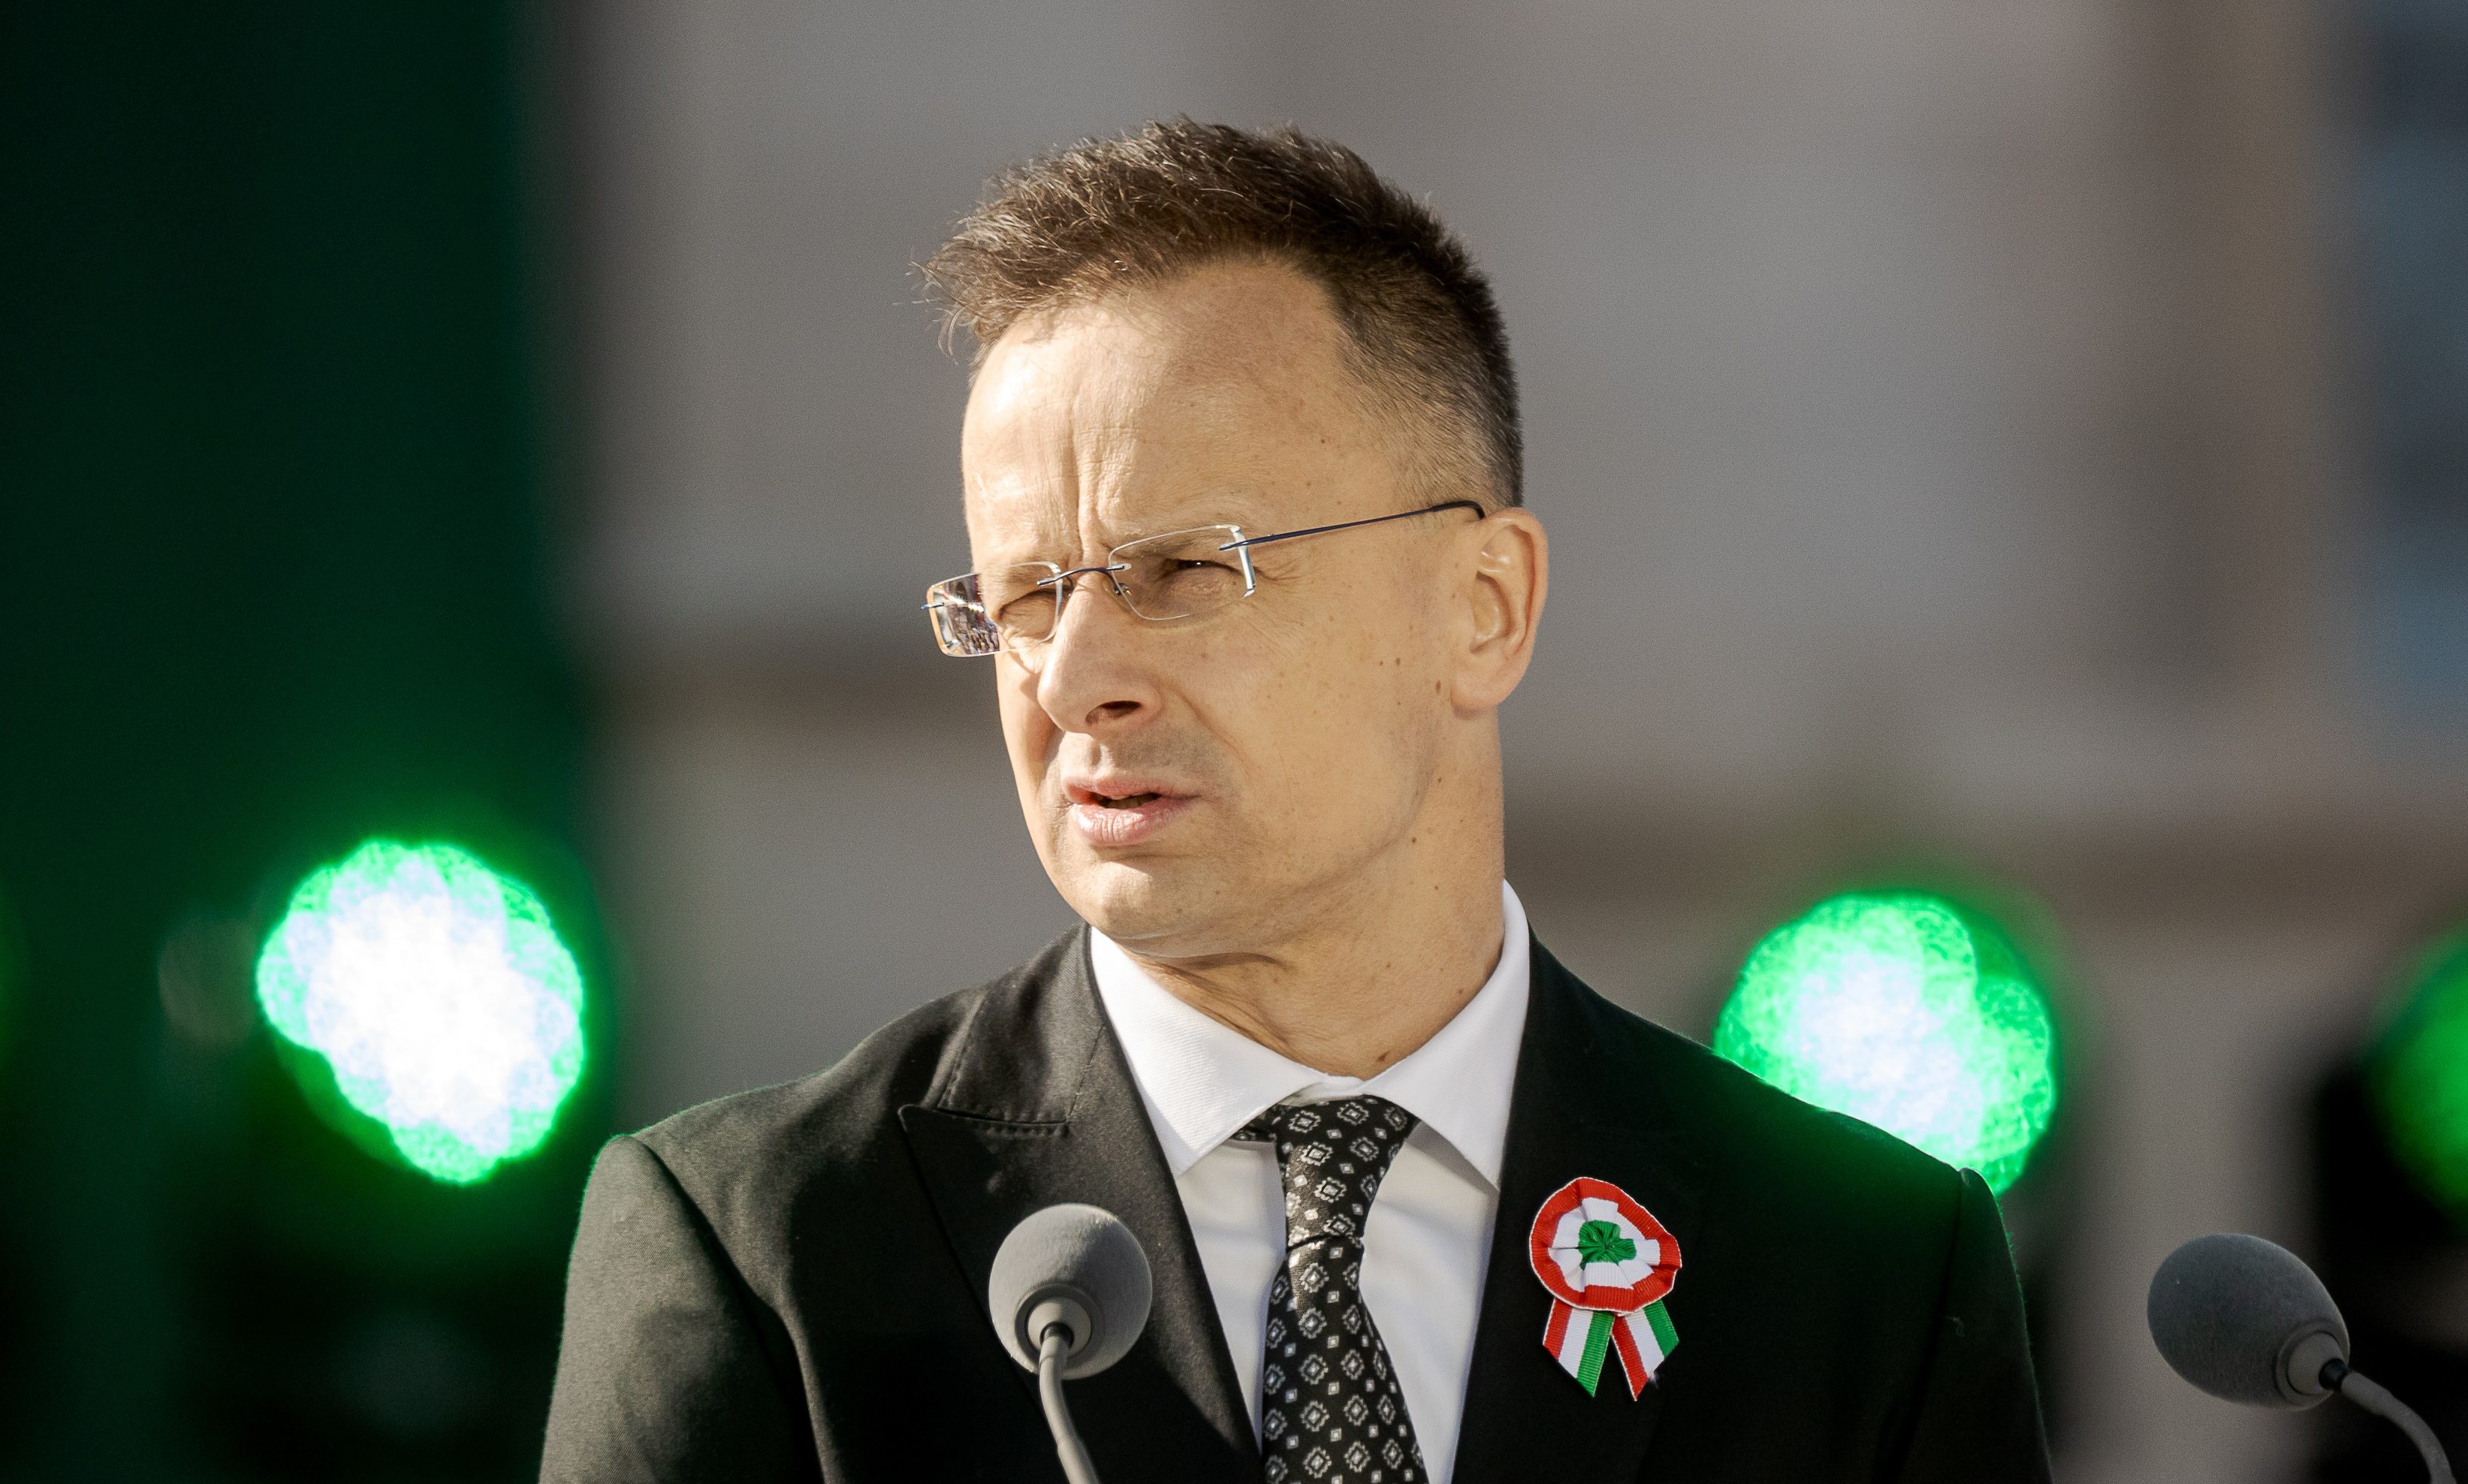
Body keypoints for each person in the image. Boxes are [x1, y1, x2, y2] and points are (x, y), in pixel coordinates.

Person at [540, 119, 2049, 1483]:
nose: (1073, 679)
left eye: (1184, 570)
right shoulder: (769, 1254)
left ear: (1483, 607)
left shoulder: (1861, 1274)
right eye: (1023, 597)